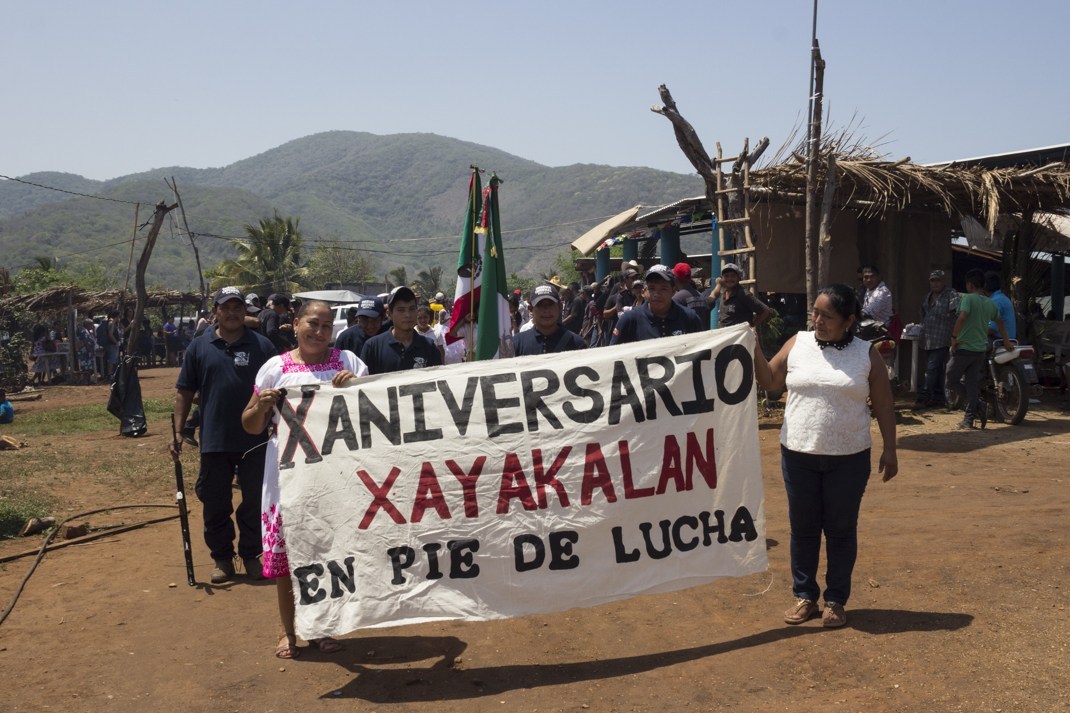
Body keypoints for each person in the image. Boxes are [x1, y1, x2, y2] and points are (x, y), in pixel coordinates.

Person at [753, 283, 898, 629]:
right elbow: (771, 380)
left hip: (848, 458)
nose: (817, 320)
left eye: (826, 315)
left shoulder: (866, 353)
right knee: (803, 529)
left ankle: (835, 600)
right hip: (798, 454)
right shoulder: (798, 343)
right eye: (815, 313)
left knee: (841, 530)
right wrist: (753, 348)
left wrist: (891, 448)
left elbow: (884, 403)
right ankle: (805, 597)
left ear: (848, 320)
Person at [241, 299, 367, 659]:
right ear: (295, 324)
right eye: (313, 323)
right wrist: (262, 406)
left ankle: (324, 626)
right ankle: (287, 629)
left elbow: (373, 411)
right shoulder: (274, 369)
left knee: (329, 550)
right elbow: (249, 424)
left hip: (334, 472)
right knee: (288, 553)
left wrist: (355, 388)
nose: (319, 332)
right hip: (286, 472)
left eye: (327, 326)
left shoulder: (348, 363)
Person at [171, 286, 277, 584]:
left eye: (237, 307)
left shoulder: (262, 346)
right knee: (215, 500)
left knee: (256, 498)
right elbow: (184, 392)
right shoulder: (199, 347)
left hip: (256, 438)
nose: (231, 313)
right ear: (215, 311)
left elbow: (280, 384)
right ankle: (221, 558)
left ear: (245, 311)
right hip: (215, 439)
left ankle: (252, 554)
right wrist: (179, 431)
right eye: (225, 307)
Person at [946, 269, 1012, 430]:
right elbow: (1001, 323)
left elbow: (962, 317)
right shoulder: (990, 303)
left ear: (969, 285)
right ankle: (968, 420)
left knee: (950, 379)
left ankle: (977, 405)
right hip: (980, 350)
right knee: (971, 384)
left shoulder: (967, 299)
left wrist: (954, 338)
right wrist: (1006, 341)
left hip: (964, 348)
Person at [610, 265, 704, 344]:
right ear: (645, 290)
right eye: (652, 288)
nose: (656, 294)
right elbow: (612, 355)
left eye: (663, 289)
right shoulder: (629, 319)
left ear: (674, 290)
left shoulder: (689, 318)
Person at [361, 287, 443, 374]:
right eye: (401, 310)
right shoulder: (373, 347)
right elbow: (363, 382)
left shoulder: (429, 346)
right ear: (389, 314)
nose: (407, 315)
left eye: (412, 309)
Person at [915, 270, 959, 409]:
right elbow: (923, 314)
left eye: (938, 280)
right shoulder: (927, 297)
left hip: (942, 339)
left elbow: (957, 313)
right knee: (937, 370)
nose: (935, 283)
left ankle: (923, 397)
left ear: (943, 281)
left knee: (931, 370)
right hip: (927, 339)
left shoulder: (951, 294)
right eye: (933, 280)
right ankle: (938, 398)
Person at [513, 285, 586, 356]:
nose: (546, 310)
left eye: (550, 304)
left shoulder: (577, 343)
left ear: (560, 307)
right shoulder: (517, 344)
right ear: (530, 309)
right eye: (540, 305)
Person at [708, 263, 769, 329]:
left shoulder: (743, 293)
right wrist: (718, 284)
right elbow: (713, 295)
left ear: (738, 278)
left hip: (738, 337)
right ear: (722, 278)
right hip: (725, 335)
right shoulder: (723, 291)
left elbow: (765, 311)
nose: (729, 279)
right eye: (726, 276)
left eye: (733, 276)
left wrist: (751, 325)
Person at [672, 262, 710, 327]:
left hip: (687, 336)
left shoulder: (677, 298)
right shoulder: (701, 296)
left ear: (675, 278)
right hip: (702, 335)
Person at [984, 272, 1017, 341]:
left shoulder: (995, 301)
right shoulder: (1002, 298)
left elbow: (991, 329)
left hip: (999, 340)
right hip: (1007, 339)